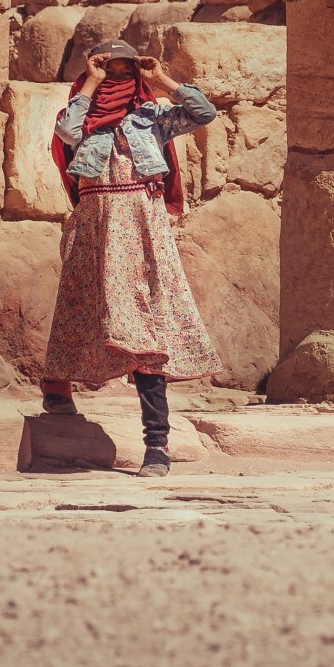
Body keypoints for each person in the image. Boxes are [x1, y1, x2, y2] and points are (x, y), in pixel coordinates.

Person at [39, 41, 220, 476]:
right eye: (109, 69)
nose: (117, 77)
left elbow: (203, 113)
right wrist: (92, 81)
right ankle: (57, 387)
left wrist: (161, 78)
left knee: (146, 328)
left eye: (126, 70)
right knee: (80, 310)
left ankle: (156, 445)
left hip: (141, 230)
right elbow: (66, 132)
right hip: (96, 228)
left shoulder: (152, 117)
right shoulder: (84, 120)